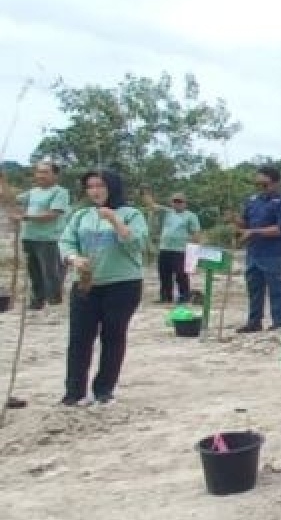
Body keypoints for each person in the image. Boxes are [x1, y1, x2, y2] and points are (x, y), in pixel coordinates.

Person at [58, 169, 149, 406]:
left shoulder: (131, 214)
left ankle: (104, 389)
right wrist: (73, 258)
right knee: (79, 338)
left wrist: (115, 221)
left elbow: (137, 244)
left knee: (113, 336)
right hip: (86, 284)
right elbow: (66, 241)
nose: (95, 191)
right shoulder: (81, 216)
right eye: (90, 186)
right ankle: (74, 391)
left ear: (112, 187)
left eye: (100, 185)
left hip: (122, 285)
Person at [233, 166, 281, 332]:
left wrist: (253, 231)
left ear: (276, 183)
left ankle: (279, 322)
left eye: (265, 185)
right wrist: (237, 222)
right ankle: (254, 322)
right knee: (254, 289)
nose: (261, 188)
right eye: (258, 184)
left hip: (274, 254)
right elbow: (245, 224)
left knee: (276, 289)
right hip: (254, 253)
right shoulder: (252, 201)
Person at [19, 160, 71, 310]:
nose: (41, 175)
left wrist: (26, 217)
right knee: (34, 272)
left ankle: (54, 303)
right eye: (39, 172)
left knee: (51, 272)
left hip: (49, 238)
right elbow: (11, 200)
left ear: (55, 175)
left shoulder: (60, 192)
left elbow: (53, 214)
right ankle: (37, 302)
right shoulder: (32, 192)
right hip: (29, 237)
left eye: (45, 172)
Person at [143, 190, 202, 304]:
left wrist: (194, 253)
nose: (177, 203)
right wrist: (146, 194)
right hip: (164, 248)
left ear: (185, 203)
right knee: (164, 274)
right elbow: (152, 206)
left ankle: (184, 297)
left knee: (181, 275)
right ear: (171, 202)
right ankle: (165, 297)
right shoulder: (167, 212)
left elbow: (196, 233)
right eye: (175, 201)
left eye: (179, 201)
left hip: (180, 250)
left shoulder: (190, 216)